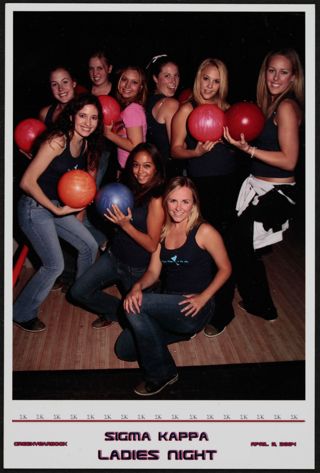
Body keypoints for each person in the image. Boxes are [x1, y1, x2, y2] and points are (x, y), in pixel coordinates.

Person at [115, 177, 232, 396]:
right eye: (173, 201)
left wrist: (203, 298)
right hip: (170, 306)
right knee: (124, 349)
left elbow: (226, 268)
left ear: (194, 204)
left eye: (185, 202)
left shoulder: (204, 231)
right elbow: (152, 272)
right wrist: (137, 286)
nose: (179, 208)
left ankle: (162, 373)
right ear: (166, 203)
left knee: (134, 307)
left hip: (195, 307)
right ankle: (177, 332)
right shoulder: (162, 232)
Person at [223, 48, 304, 321]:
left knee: (236, 244)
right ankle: (260, 304)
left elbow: (290, 160)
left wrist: (249, 150)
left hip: (278, 193)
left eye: (283, 72)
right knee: (242, 247)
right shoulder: (268, 105)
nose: (276, 77)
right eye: (272, 70)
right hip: (259, 186)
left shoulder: (286, 106)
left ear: (293, 78)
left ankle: (257, 305)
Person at [13, 94, 104, 332]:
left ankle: (81, 294)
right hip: (34, 207)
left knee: (89, 246)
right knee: (55, 265)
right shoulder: (57, 140)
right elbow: (27, 181)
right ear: (72, 116)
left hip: (55, 206)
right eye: (83, 116)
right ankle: (22, 313)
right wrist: (55, 209)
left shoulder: (85, 144)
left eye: (94, 118)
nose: (88, 122)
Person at [170, 58, 239, 336]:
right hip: (199, 186)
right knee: (200, 248)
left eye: (216, 80)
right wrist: (196, 153)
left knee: (226, 247)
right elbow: (175, 150)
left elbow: (241, 149)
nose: (210, 85)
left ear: (223, 83)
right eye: (206, 78)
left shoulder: (230, 111)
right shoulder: (187, 108)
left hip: (229, 185)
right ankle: (198, 302)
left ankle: (224, 310)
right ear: (198, 78)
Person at [69, 142, 165, 329]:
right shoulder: (128, 186)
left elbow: (152, 245)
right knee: (78, 292)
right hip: (114, 257)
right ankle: (115, 311)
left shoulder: (156, 199)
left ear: (156, 168)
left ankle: (137, 308)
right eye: (136, 165)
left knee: (139, 324)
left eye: (147, 166)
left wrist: (125, 225)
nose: (140, 171)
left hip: (136, 268)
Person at [145, 54, 183, 178]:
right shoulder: (171, 104)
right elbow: (178, 148)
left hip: (153, 172)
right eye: (167, 76)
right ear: (156, 78)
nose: (173, 81)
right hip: (168, 172)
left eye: (176, 75)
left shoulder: (147, 101)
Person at [104, 65, 148, 172]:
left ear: (140, 88)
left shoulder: (132, 110)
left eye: (134, 82)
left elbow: (136, 146)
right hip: (128, 167)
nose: (127, 85)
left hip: (132, 169)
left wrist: (109, 134)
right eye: (124, 79)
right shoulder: (128, 107)